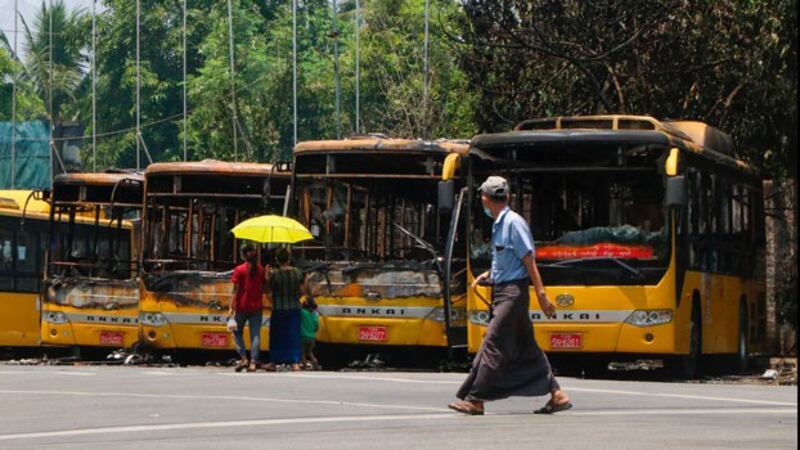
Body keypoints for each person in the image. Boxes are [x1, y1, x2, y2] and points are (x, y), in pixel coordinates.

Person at [448, 176, 572, 416]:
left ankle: (476, 399)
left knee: (492, 343)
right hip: (503, 290)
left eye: (482, 198)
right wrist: (487, 275)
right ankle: (557, 394)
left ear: (485, 198)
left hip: (513, 295)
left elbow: (528, 260)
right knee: (527, 347)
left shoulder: (513, 223)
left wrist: (542, 294)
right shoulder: (498, 224)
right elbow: (506, 260)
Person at [263, 247, 306, 371]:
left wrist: (266, 277)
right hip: (294, 308)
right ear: (289, 259)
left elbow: (267, 290)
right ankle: (295, 362)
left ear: (277, 260)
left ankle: (274, 361)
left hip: (278, 308)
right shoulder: (297, 272)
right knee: (293, 335)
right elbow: (303, 291)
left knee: (277, 335)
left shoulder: (275, 274)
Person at [229, 243, 266, 373]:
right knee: (255, 334)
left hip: (241, 306)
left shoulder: (239, 270)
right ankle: (253, 362)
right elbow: (263, 287)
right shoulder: (261, 269)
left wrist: (231, 307)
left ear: (244, 255)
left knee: (236, 332)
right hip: (256, 306)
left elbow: (235, 290)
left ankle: (244, 358)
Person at [300, 295, 321, 370]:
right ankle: (315, 364)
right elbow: (317, 327)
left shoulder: (302, 312)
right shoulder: (314, 315)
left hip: (303, 336)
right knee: (309, 352)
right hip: (312, 337)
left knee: (302, 352)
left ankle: (305, 366)